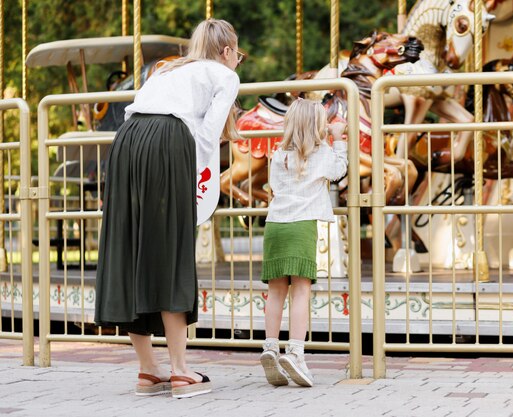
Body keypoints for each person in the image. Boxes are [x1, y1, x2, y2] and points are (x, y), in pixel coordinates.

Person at [94, 18, 243, 399]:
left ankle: (149, 370)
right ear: (226, 51)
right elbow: (208, 136)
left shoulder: (167, 68)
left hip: (127, 142)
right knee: (172, 248)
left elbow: (133, 111)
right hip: (168, 141)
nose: (237, 61)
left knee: (129, 245)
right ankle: (180, 371)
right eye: (238, 54)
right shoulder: (224, 75)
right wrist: (200, 185)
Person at [260, 99, 348, 387]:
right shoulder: (322, 153)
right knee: (300, 291)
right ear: (318, 127)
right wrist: (338, 139)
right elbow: (340, 171)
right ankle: (296, 352)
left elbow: (274, 188)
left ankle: (270, 348)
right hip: (301, 227)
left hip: (275, 226)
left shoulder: (277, 155)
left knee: (275, 293)